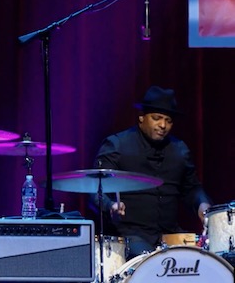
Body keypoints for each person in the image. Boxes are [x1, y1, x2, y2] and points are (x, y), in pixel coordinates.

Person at [89, 85, 213, 260]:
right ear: (141, 117)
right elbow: (95, 190)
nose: (163, 125)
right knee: (152, 262)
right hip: (130, 236)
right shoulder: (117, 145)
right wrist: (110, 207)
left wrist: (203, 205)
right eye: (157, 118)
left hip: (170, 235)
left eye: (168, 121)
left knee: (203, 259)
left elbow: (192, 188)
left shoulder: (179, 150)